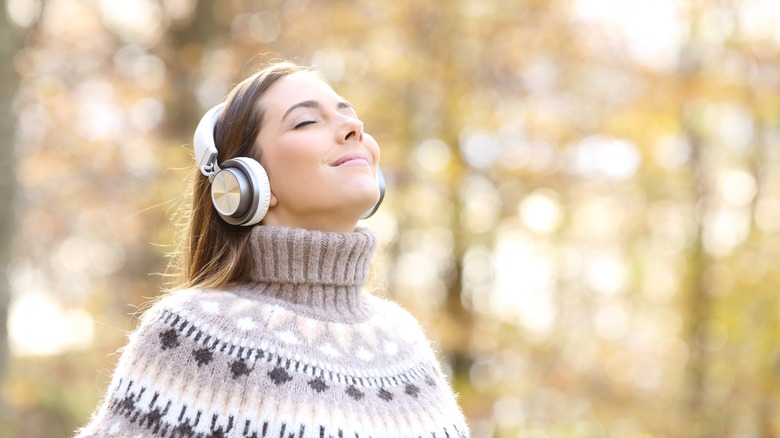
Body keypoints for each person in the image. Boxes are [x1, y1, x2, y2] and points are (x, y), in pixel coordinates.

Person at [75, 61, 469, 438]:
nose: (354, 127)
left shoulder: (403, 340)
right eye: (307, 121)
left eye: (349, 114)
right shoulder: (195, 331)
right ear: (246, 183)